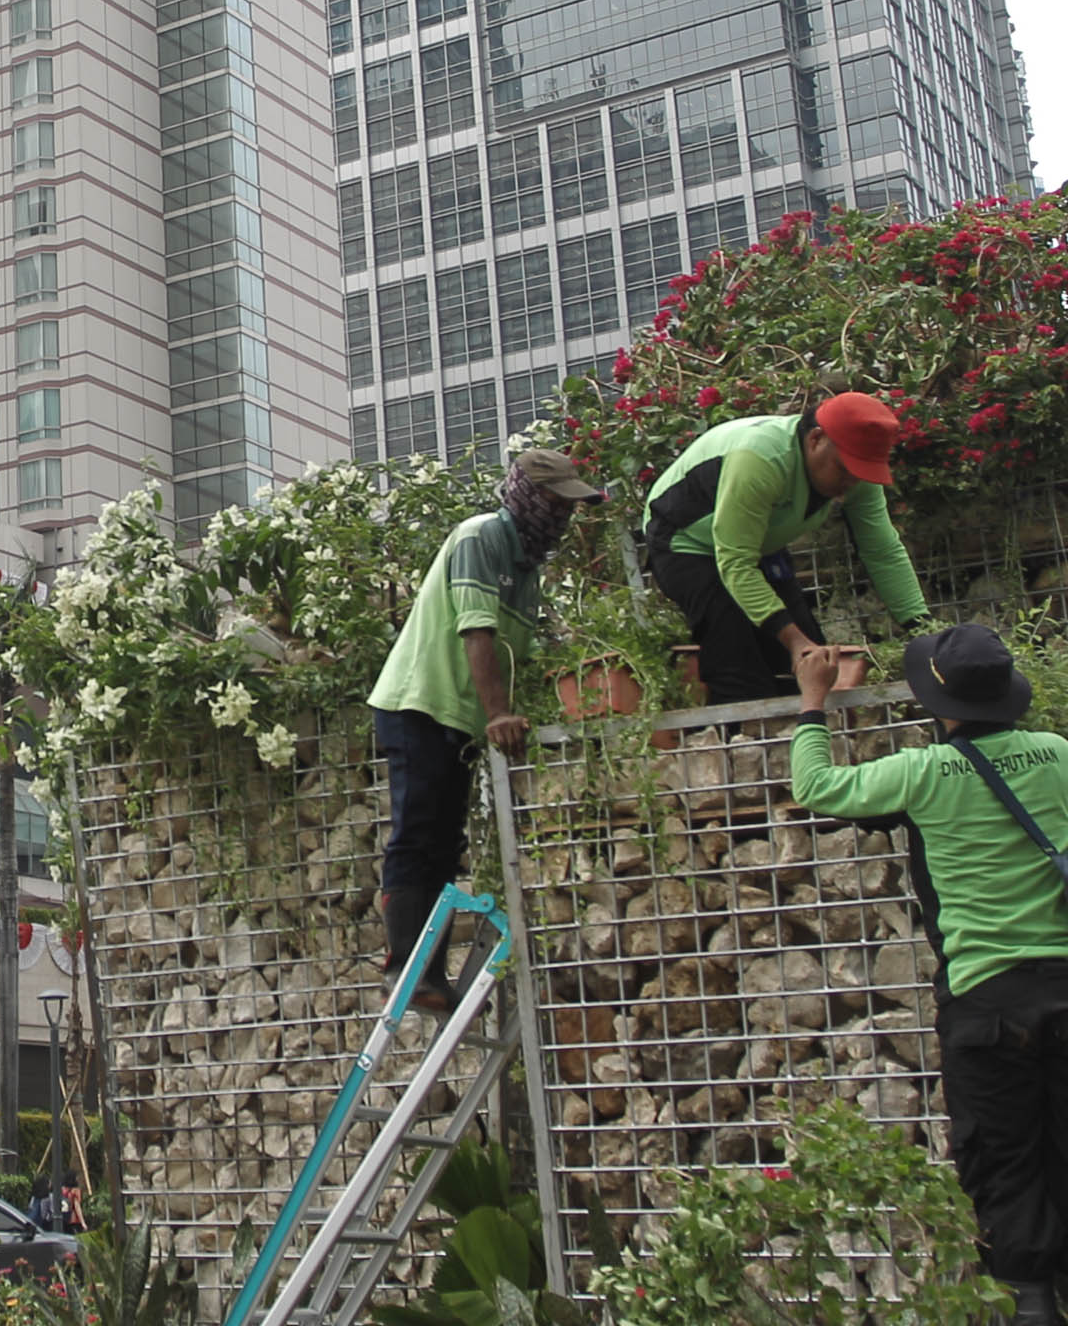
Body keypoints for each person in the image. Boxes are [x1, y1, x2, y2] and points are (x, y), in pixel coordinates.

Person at [785, 622, 1068, 1326]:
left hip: (987, 1003)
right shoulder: (1057, 756)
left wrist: (813, 701)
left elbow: (814, 784)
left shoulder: (926, 773)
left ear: (935, 701)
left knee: (1008, 1173)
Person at [364, 450, 603, 1006]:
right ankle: (405, 967)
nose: (563, 516)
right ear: (527, 496)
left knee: (447, 846)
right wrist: (499, 713)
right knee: (419, 832)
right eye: (555, 502)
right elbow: (477, 631)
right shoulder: (480, 538)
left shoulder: (527, 568)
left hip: (460, 720)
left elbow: (522, 652)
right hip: (419, 704)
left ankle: (428, 973)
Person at [639, 394, 937, 704]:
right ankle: (741, 742)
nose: (851, 482)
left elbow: (882, 550)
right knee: (734, 652)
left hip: (757, 541)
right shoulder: (761, 460)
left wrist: (923, 630)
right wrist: (795, 642)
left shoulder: (857, 477)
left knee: (810, 662)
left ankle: (805, 738)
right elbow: (737, 563)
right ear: (816, 439)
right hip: (684, 540)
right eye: (844, 468)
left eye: (861, 472)